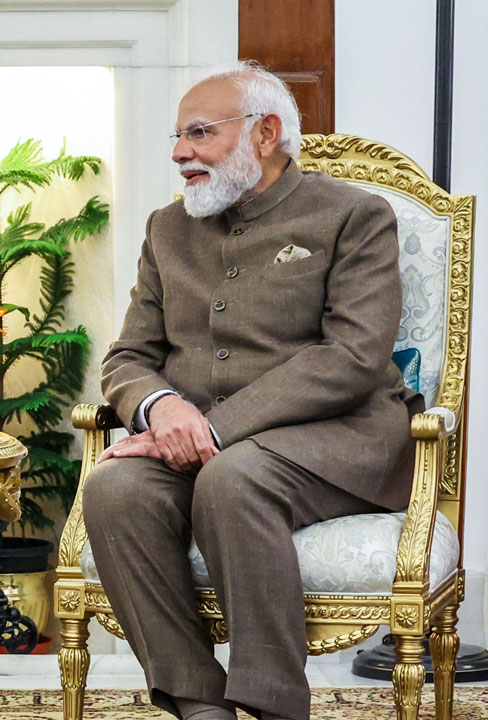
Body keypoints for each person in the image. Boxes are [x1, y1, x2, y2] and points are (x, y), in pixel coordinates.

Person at [82, 62, 421, 720]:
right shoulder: (167, 228)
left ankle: (274, 706)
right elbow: (129, 356)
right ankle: (199, 705)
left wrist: (209, 428)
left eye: (200, 133)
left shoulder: (353, 215)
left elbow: (352, 356)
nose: (180, 153)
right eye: (178, 136)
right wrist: (163, 408)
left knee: (233, 478)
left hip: (339, 439)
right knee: (115, 489)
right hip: (200, 440)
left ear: (265, 134)